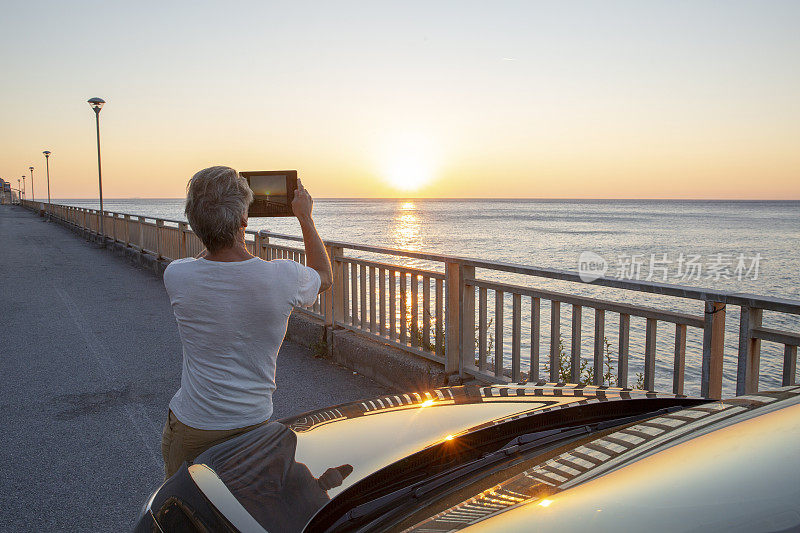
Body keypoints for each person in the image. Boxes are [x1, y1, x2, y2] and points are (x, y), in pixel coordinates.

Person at [160, 166, 332, 480]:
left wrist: (220, 232)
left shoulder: (177, 275)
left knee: (188, 513)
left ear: (194, 222)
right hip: (253, 428)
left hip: (192, 427)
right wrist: (305, 216)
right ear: (244, 219)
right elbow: (324, 275)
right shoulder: (283, 278)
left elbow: (209, 260)